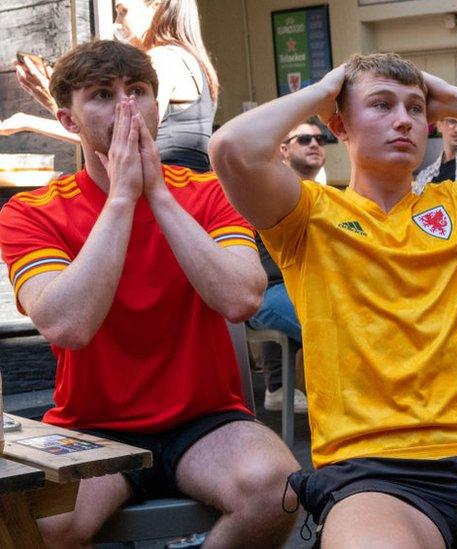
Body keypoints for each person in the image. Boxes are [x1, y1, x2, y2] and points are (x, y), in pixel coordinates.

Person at [209, 52, 457, 547]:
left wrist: (449, 98)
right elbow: (230, 147)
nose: (403, 120)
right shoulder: (307, 213)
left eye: (415, 109)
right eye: (381, 105)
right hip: (373, 472)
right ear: (339, 125)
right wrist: (329, 89)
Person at [0, 40, 298, 547]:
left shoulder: (208, 192)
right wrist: (121, 197)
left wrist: (156, 193)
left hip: (206, 422)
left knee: (282, 490)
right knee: (35, 526)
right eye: (100, 94)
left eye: (137, 91)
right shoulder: (32, 212)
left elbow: (242, 299)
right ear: (67, 121)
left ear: (157, 106)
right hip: (91, 429)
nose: (125, 107)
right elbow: (67, 325)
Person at [3, 0, 218, 172]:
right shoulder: (186, 57)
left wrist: (32, 118)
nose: (118, 21)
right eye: (104, 95)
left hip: (168, 189)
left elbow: (121, 139)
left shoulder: (162, 58)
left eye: (123, 11)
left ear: (156, 6)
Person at [250, 118, 330, 413]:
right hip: (268, 291)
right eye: (305, 140)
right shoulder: (268, 189)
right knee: (333, 324)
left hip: (303, 285)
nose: (315, 145)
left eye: (321, 140)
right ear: (283, 150)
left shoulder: (326, 195)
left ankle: (278, 387)